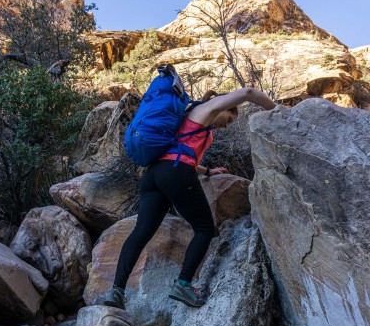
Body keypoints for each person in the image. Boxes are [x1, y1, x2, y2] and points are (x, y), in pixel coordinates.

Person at [100, 86, 277, 310]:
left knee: (141, 233)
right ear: (224, 106)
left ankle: (116, 291)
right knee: (204, 229)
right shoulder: (207, 109)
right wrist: (277, 110)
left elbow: (179, 150)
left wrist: (206, 171)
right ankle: (183, 284)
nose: (227, 124)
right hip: (175, 171)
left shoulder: (189, 114)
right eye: (230, 118)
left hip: (155, 175)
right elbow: (249, 92)